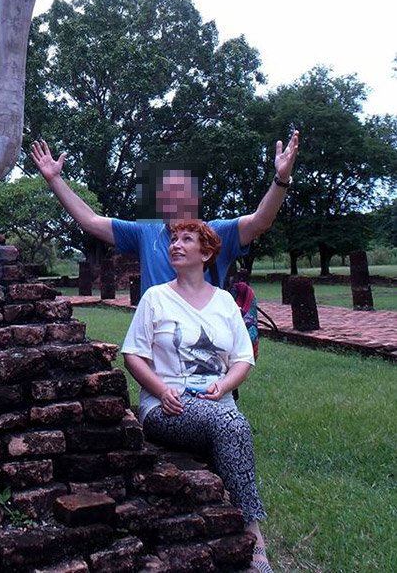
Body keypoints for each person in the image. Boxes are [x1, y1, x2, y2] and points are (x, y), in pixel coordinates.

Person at [121, 220, 273, 573]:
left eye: (186, 239)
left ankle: (234, 524)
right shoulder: (155, 298)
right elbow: (132, 355)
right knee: (231, 423)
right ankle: (253, 532)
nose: (175, 244)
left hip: (217, 403)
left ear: (206, 253)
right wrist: (161, 390)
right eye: (173, 239)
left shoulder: (224, 302)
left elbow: (242, 359)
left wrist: (224, 385)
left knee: (228, 421)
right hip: (167, 407)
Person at [29, 131, 299, 294]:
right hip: (159, 343)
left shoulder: (216, 233)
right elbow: (90, 221)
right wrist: (55, 180)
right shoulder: (147, 232)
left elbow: (260, 221)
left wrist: (281, 180)